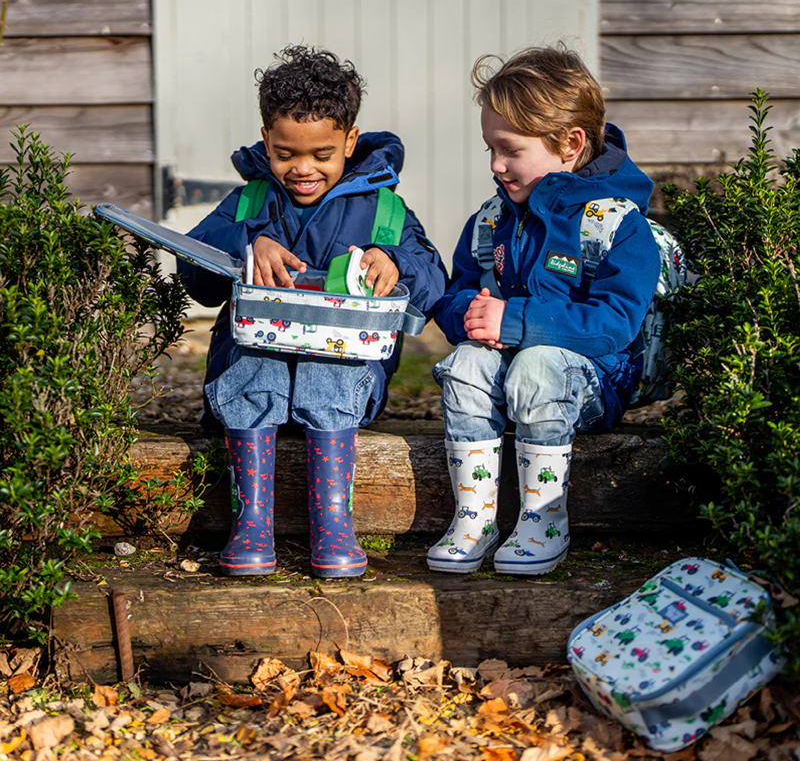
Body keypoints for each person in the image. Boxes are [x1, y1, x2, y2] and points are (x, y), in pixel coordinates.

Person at [178, 45, 447, 579]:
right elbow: (196, 275)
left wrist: (393, 262)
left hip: (342, 388)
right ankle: (252, 523)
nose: (302, 169)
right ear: (265, 140)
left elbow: (432, 278)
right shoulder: (250, 203)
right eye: (285, 154)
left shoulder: (384, 209)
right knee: (257, 357)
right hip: (252, 386)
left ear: (349, 140)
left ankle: (333, 524)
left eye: (322, 154)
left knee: (332, 360)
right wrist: (247, 245)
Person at [427, 45, 661, 576]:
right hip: (507, 374)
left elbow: (616, 323)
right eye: (489, 147)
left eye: (509, 149)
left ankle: (542, 519)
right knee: (465, 364)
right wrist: (468, 314)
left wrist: (516, 321)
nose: (495, 165)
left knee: (537, 366)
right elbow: (458, 289)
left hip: (590, 384)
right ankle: (475, 516)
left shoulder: (615, 224)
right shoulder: (493, 220)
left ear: (570, 145)